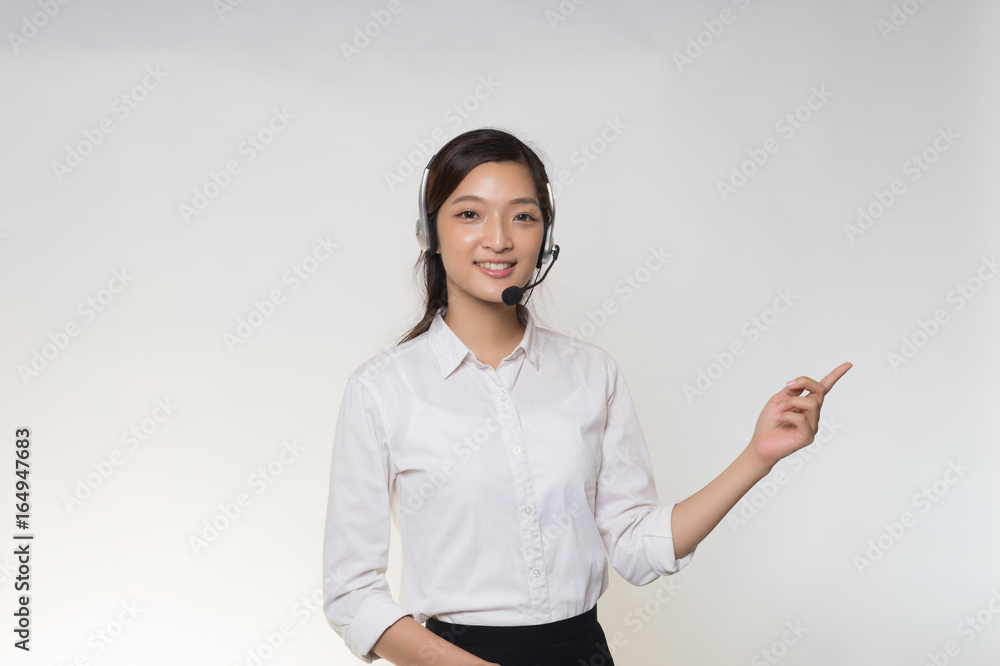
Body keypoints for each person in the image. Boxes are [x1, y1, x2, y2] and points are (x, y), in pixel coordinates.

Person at [322, 127, 852, 666]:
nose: (499, 239)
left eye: (522, 216)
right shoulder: (381, 390)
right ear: (430, 231)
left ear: (545, 234)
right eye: (469, 214)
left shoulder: (592, 374)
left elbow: (637, 548)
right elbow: (352, 594)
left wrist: (757, 456)